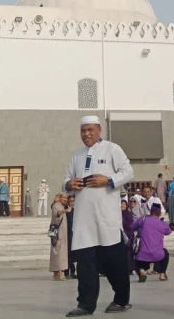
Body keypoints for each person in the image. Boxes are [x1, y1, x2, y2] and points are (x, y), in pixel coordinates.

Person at [63, 114, 134, 317]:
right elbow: (66, 178)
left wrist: (108, 180)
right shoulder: (76, 155)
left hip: (106, 218)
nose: (86, 134)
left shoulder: (112, 149)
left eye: (90, 130)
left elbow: (128, 172)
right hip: (83, 220)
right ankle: (85, 305)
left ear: (99, 130)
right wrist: (69, 184)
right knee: (85, 266)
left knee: (114, 263)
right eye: (83, 131)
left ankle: (121, 300)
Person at [130, 201, 172, 282]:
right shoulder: (161, 223)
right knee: (165, 253)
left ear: (151, 211)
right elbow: (169, 232)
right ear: (159, 213)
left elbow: (132, 227)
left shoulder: (143, 219)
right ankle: (162, 274)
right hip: (157, 255)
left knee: (136, 256)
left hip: (143, 254)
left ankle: (142, 271)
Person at [50, 193, 70, 280]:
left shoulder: (61, 206)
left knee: (58, 251)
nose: (66, 200)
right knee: (58, 251)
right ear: (60, 198)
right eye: (64, 198)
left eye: (66, 198)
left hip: (58, 232)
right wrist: (66, 211)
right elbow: (57, 214)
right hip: (57, 232)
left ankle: (57, 273)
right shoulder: (56, 205)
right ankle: (59, 272)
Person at [65, 194, 78, 279]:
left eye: (73, 201)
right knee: (67, 254)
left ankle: (73, 272)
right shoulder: (66, 211)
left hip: (76, 235)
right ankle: (66, 272)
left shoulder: (77, 210)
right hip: (68, 235)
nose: (72, 203)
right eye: (71, 201)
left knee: (74, 254)